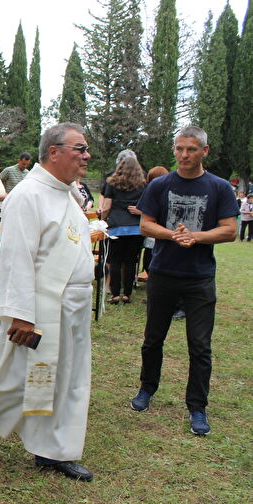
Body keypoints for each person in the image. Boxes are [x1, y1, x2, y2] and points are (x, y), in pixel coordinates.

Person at [0, 123, 95, 482]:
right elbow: (16, 257)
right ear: (54, 152)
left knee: (65, 380)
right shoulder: (27, 195)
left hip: (72, 307)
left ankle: (52, 451)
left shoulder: (67, 193)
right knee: (13, 378)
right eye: (79, 148)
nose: (86, 155)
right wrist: (21, 315)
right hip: (39, 309)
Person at [130, 126, 239, 436]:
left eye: (191, 149)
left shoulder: (218, 187)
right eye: (179, 149)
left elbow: (230, 229)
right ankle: (146, 389)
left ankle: (197, 406)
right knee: (153, 338)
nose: (184, 155)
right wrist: (174, 235)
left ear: (204, 151)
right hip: (163, 273)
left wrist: (197, 237)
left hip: (199, 278)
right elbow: (146, 226)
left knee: (200, 346)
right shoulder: (160, 185)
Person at [101, 156, 147, 304]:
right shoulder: (143, 184)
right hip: (135, 228)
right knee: (130, 262)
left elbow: (107, 206)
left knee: (115, 261)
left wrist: (102, 220)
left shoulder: (112, 183)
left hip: (117, 226)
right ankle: (127, 294)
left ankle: (115, 294)